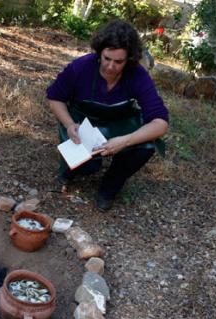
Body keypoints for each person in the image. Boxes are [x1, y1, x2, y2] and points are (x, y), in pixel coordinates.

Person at [46, 20, 169, 212]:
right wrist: (70, 125)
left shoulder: (138, 75)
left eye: (119, 62)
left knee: (145, 146)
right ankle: (69, 170)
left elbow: (160, 123)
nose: (111, 66)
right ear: (99, 52)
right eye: (106, 58)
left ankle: (109, 188)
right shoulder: (81, 67)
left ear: (129, 59)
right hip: (81, 122)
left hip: (118, 125)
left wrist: (125, 141)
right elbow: (55, 98)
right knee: (88, 167)